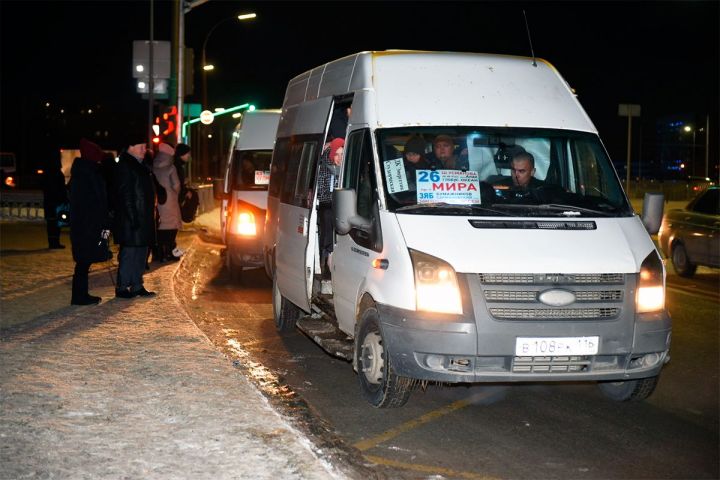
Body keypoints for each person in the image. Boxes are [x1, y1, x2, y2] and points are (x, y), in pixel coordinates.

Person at [69, 138, 111, 305]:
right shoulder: (87, 174)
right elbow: (92, 202)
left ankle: (81, 294)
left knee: (84, 261)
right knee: (84, 260)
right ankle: (79, 296)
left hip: (87, 223)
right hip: (87, 224)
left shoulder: (87, 172)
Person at [113, 140, 157, 299]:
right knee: (130, 252)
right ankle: (123, 286)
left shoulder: (141, 165)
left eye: (145, 147)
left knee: (141, 251)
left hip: (143, 217)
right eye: (141, 146)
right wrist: (132, 218)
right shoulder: (126, 165)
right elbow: (125, 196)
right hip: (131, 218)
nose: (144, 149)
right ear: (130, 147)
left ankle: (137, 285)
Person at [316, 137, 344, 294]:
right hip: (327, 207)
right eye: (337, 154)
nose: (340, 158)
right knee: (328, 226)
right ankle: (327, 260)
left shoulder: (347, 168)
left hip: (342, 207)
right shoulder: (324, 167)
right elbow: (322, 193)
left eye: (342, 154)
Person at [153, 143, 183, 262]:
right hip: (169, 201)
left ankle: (160, 254)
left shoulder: (153, 166)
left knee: (160, 228)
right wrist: (175, 194)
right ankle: (170, 253)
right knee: (171, 229)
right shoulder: (171, 167)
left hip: (157, 201)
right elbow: (176, 185)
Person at [40, 147, 68, 249]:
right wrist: (63, 197)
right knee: (55, 223)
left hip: (50, 201)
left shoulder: (47, 172)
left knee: (52, 222)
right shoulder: (56, 173)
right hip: (56, 202)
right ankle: (54, 242)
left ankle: (53, 242)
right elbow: (60, 188)